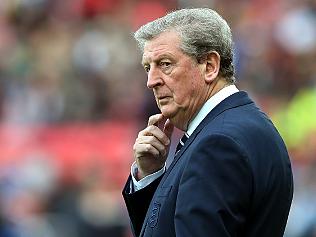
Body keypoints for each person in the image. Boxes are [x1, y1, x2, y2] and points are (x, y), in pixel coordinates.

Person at [122, 8, 293, 237]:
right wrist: (151, 176)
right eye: (147, 67)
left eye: (165, 64)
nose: (151, 81)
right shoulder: (244, 125)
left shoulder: (218, 144)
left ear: (210, 66)